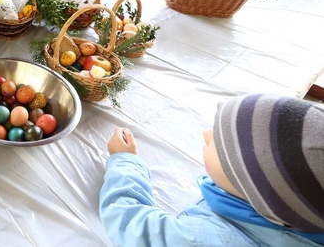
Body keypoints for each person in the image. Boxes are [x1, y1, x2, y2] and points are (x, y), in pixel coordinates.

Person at [100, 92, 324, 245]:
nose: (206, 135)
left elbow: (128, 222)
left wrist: (125, 160)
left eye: (219, 143)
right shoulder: (298, 209)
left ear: (253, 189)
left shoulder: (204, 239)